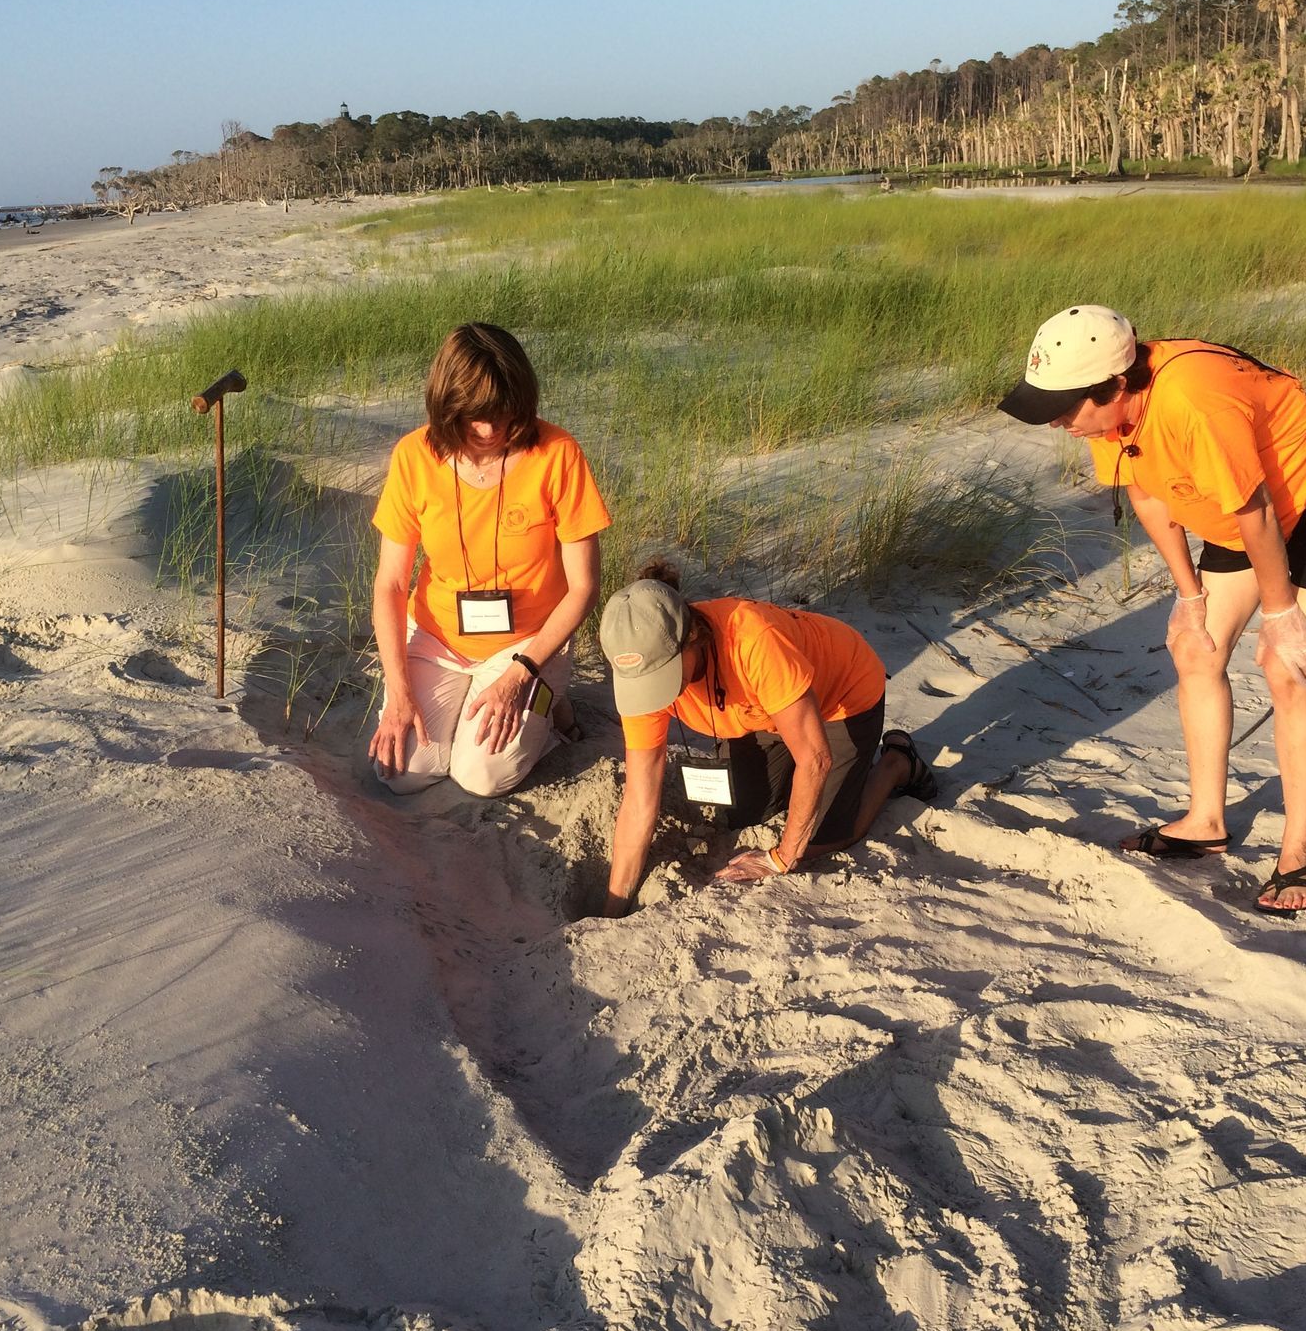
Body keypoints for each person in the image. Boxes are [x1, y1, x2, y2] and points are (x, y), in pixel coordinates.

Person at [999, 305, 1306, 915]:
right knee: (1194, 643)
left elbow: (1254, 510)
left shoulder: (1192, 401)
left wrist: (1282, 611)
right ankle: (1206, 819)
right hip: (1250, 500)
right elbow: (1148, 490)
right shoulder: (1109, 417)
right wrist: (1188, 595)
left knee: (1285, 664)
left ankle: (1298, 847)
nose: (1054, 421)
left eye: (1064, 406)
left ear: (1115, 385)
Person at [596, 562, 937, 917]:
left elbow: (815, 758)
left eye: (662, 677)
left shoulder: (753, 640)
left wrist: (781, 859)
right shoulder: (640, 682)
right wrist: (613, 906)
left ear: (692, 636)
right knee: (742, 811)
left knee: (822, 837)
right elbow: (638, 798)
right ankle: (805, 765)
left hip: (841, 696)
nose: (657, 695)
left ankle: (897, 763)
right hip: (764, 715)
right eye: (644, 683)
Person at [368, 323, 609, 796]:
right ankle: (482, 707)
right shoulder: (414, 457)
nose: (488, 430)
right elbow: (391, 586)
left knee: (482, 776)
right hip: (437, 639)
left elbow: (584, 587)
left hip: (527, 646)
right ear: (446, 407)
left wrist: (520, 674)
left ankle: (551, 706)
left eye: (502, 414)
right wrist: (398, 694)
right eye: (473, 416)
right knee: (400, 772)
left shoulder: (558, 454)